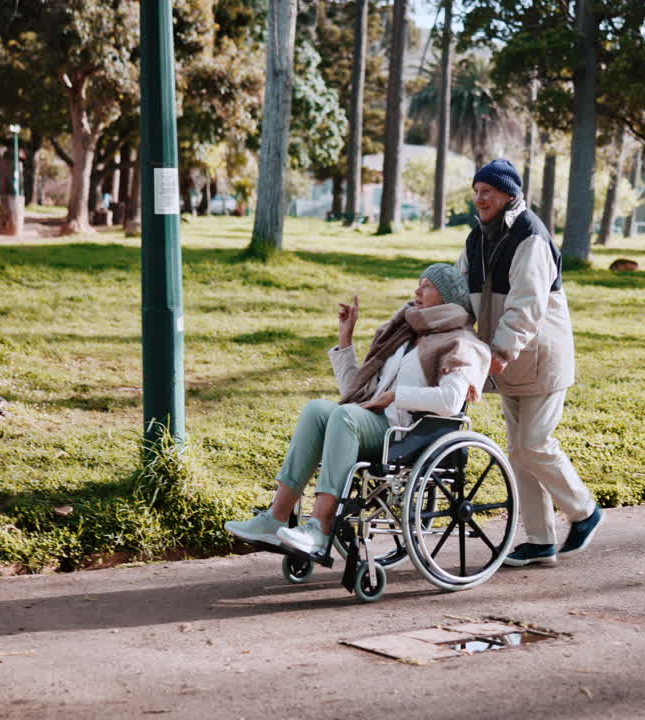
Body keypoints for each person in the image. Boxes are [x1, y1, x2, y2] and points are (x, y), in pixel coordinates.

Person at [224, 264, 490, 556]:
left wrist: (396, 396)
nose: (417, 291)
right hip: (370, 420)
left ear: (446, 296)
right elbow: (356, 392)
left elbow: (451, 400)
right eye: (419, 283)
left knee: (346, 416)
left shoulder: (461, 343)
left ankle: (320, 528)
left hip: (405, 434)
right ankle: (274, 518)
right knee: (317, 409)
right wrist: (346, 338)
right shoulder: (402, 333)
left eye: (427, 286)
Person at [456, 158, 603, 567]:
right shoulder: (477, 238)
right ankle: (540, 541)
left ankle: (585, 511)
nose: (479, 198)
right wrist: (434, 321)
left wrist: (501, 351)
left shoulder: (530, 235)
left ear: (508, 195)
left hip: (539, 357)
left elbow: (527, 305)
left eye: (487, 191)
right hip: (506, 361)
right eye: (476, 191)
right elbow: (459, 290)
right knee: (519, 451)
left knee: (534, 444)